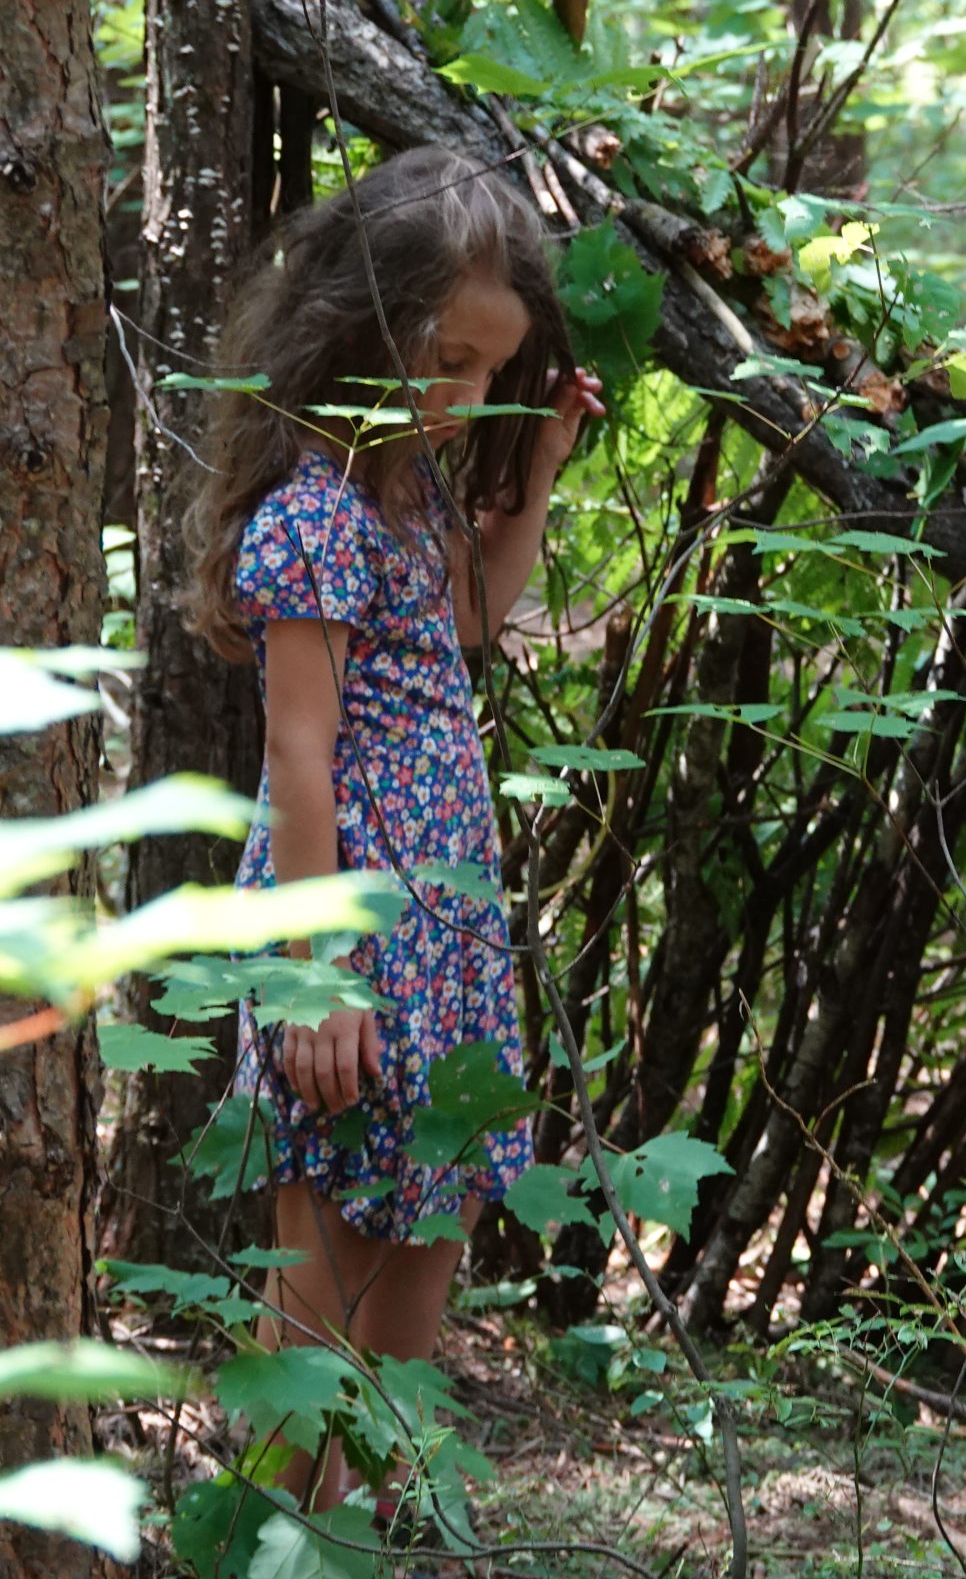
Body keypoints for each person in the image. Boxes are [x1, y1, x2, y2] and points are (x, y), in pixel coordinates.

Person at [190, 147, 602, 1522]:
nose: (463, 397)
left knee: (431, 1233)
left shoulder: (409, 497)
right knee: (321, 1283)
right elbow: (298, 752)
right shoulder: (311, 515)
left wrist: (533, 466)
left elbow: (475, 622)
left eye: (493, 370)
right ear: (357, 328)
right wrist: (316, 975)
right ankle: (261, 1541)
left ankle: (355, 1536)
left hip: (446, 932)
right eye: (444, 358)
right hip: (345, 923)